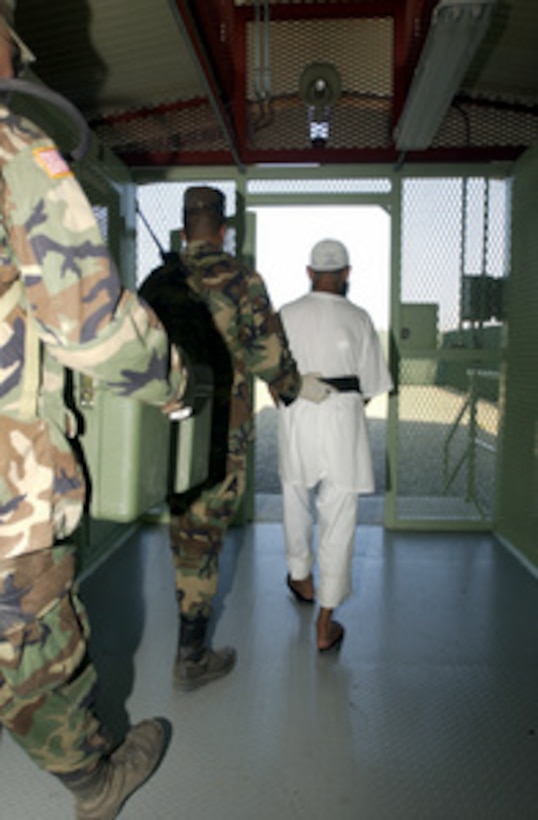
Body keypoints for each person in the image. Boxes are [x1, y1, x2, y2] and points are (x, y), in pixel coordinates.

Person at [0, 5, 191, 817]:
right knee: (30, 637)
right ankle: (94, 780)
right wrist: (172, 384)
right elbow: (93, 323)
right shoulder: (11, 148)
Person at [139, 185, 331, 692]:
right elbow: (268, 357)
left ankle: (188, 621)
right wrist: (294, 388)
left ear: (184, 231)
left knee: (183, 523)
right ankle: (192, 656)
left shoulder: (158, 280)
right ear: (223, 230)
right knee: (205, 535)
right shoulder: (244, 279)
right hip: (225, 428)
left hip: (166, 428)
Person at [277, 238, 393, 652]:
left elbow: (269, 370)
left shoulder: (285, 315)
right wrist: (342, 404)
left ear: (309, 272)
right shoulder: (359, 318)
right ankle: (326, 622)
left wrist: (293, 398)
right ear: (346, 274)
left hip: (297, 413)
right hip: (343, 419)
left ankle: (300, 577)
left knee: (295, 499)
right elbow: (374, 384)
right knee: (339, 516)